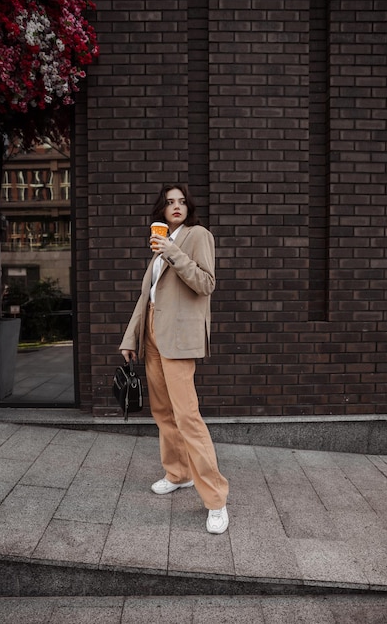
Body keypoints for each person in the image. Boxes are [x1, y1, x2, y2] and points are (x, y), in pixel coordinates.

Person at [120, 183, 229, 534]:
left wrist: (172, 252)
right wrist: (131, 337)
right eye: (169, 202)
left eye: (182, 201)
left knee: (188, 417)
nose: (176, 206)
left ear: (188, 207)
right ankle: (178, 473)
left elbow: (206, 283)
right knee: (163, 413)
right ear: (161, 211)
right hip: (153, 334)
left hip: (179, 339)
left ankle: (215, 500)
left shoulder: (197, 236)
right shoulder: (159, 247)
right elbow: (147, 298)